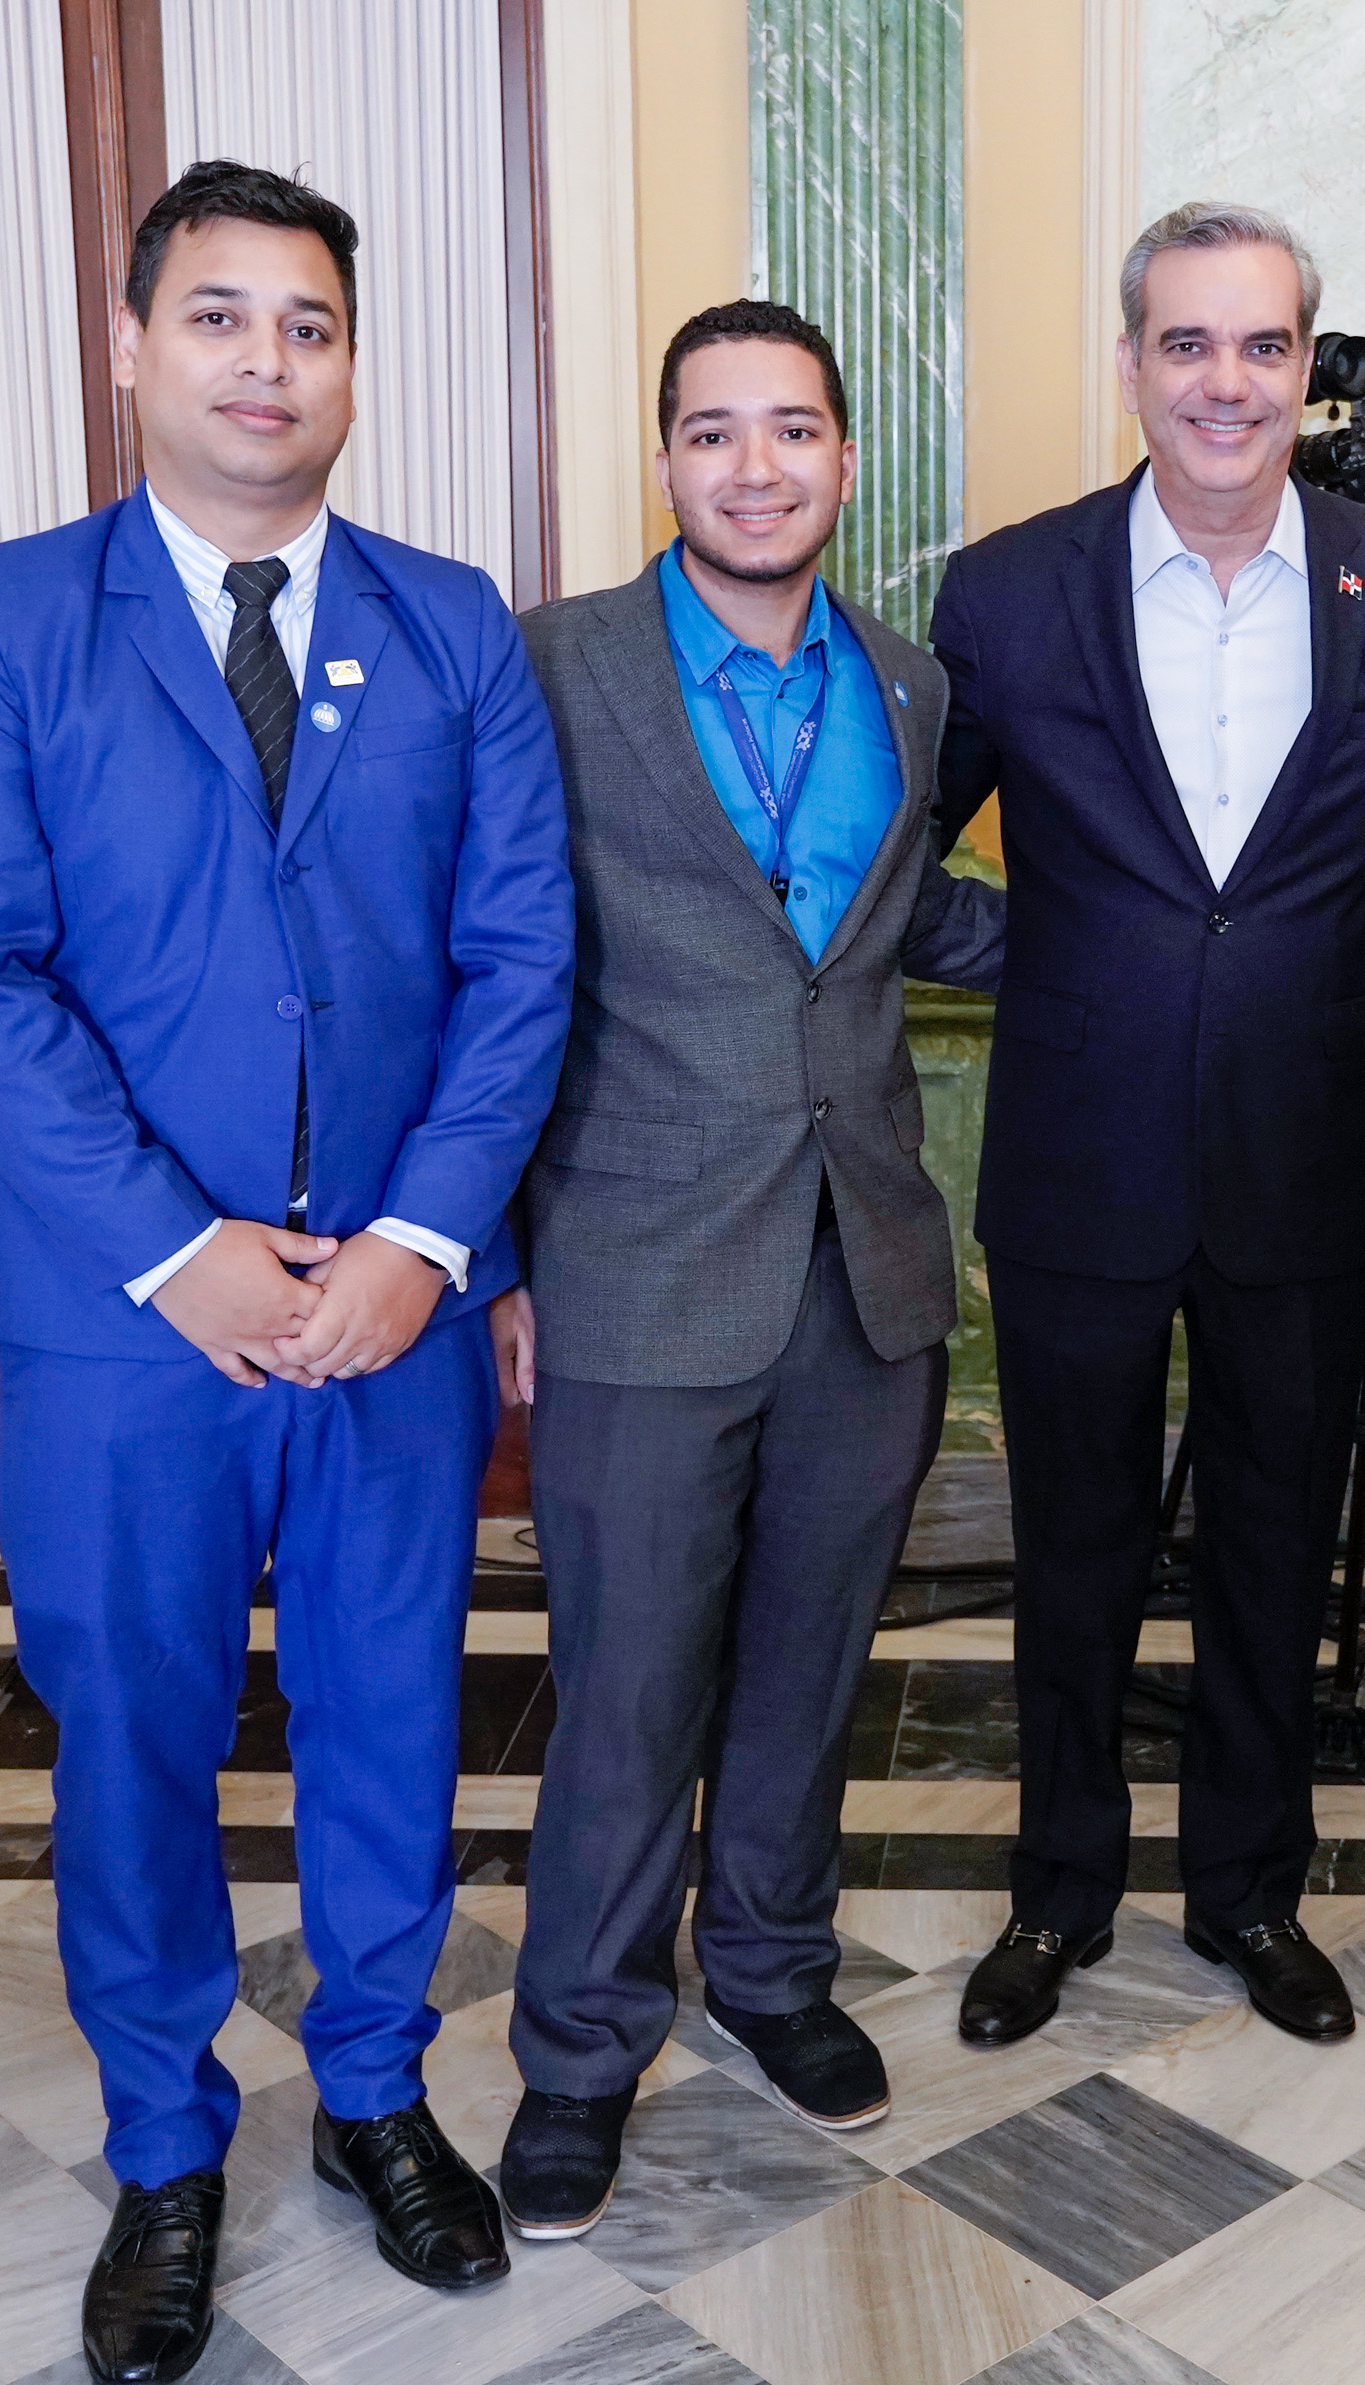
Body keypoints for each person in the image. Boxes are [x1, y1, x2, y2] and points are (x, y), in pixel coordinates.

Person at [0, 162, 572, 2383]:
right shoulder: (6, 617)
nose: (267, 361)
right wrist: (178, 1250)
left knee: (389, 1714)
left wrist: (421, 1242)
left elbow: (518, 957)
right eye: (219, 315)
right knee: (135, 1727)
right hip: (119, 1319)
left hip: (388, 1313)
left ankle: (374, 2092)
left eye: (309, 324)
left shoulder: (452, 626)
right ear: (129, 343)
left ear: (350, 363)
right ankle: (165, 2146)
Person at [928, 202, 1365, 2047]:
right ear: (1129, 365)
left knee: (1274, 1549)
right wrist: (1052, 953)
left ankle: (1249, 1889)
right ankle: (1058, 1890)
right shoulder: (1008, 590)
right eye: (1185, 344)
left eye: (1260, 345)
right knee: (1071, 1553)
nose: (1224, 383)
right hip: (1076, 1161)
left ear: (1306, 368)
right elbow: (887, 860)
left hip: (1300, 1158)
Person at [485, 300, 1003, 2234]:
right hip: (629, 1260)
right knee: (625, 1685)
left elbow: (892, 918)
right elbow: (490, 961)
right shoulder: (551, 667)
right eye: (713, 432)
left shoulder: (911, 683)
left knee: (809, 1662)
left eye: (791, 429)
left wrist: (1176, 943)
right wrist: (496, 1253)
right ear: (665, 462)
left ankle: (775, 1971)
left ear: (845, 459)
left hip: (864, 1266)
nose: (755, 466)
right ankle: (579, 2049)